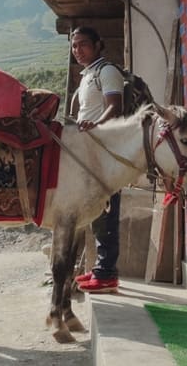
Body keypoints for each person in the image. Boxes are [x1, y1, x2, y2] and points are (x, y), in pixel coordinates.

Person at [68, 26, 123, 294]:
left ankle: (107, 273)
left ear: (99, 44)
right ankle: (101, 268)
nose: (78, 50)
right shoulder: (88, 74)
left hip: (104, 151)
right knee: (95, 211)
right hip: (90, 150)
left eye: (84, 45)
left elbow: (115, 106)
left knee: (107, 210)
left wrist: (95, 126)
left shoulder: (107, 72)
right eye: (75, 45)